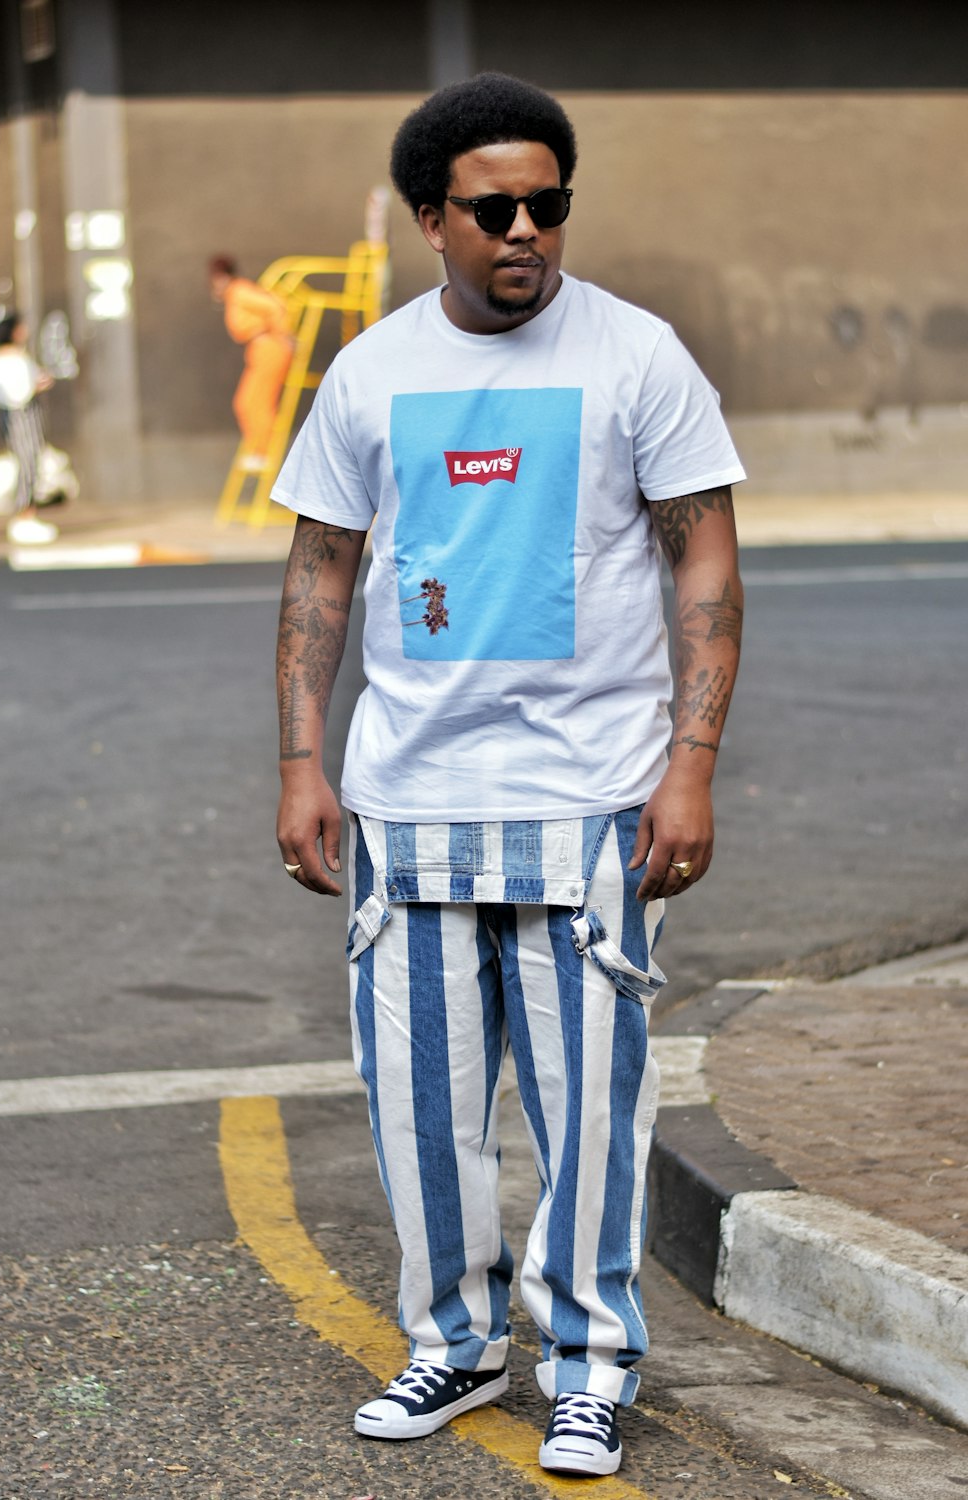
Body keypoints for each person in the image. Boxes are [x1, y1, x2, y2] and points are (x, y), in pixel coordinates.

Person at [271, 72, 745, 1480]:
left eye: (549, 203)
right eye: (494, 209)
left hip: (593, 797)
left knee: (593, 1106)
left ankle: (590, 1364)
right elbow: (321, 570)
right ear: (434, 219)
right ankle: (458, 1345)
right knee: (421, 1104)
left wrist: (692, 765)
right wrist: (305, 759)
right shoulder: (372, 371)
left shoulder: (638, 358)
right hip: (410, 798)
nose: (527, 229)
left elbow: (702, 557)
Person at [209, 255, 293, 471]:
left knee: (259, 402)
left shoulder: (239, 291)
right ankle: (257, 450)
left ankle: (263, 453)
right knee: (245, 402)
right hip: (259, 348)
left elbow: (274, 306)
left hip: (270, 347)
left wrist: (283, 333)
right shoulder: (234, 294)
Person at [0, 313, 58, 545]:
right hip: (19, 415)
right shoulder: (4, 359)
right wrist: (34, 387)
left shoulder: (17, 356)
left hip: (26, 413)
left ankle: (28, 513)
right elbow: (13, 392)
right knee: (26, 461)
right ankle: (24, 514)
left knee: (32, 460)